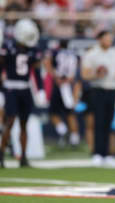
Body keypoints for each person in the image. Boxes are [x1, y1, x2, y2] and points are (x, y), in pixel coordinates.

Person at [0, 19, 45, 168]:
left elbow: (37, 72)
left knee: (24, 123)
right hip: (11, 87)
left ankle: (23, 157)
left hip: (25, 88)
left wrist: (41, 89)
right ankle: (1, 155)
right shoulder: (8, 46)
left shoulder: (33, 49)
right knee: (10, 122)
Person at [81, 30, 115, 167]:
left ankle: (107, 153)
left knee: (109, 122)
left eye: (110, 38)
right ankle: (97, 153)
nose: (109, 40)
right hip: (98, 90)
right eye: (106, 38)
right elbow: (85, 75)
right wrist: (97, 74)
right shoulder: (92, 54)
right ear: (100, 39)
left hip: (112, 90)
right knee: (98, 122)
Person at [43, 39, 81, 147]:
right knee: (70, 113)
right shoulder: (74, 55)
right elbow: (77, 69)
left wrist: (55, 76)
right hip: (69, 85)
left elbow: (46, 62)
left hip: (59, 84)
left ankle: (63, 130)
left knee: (53, 112)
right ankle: (74, 138)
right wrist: (70, 79)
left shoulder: (56, 53)